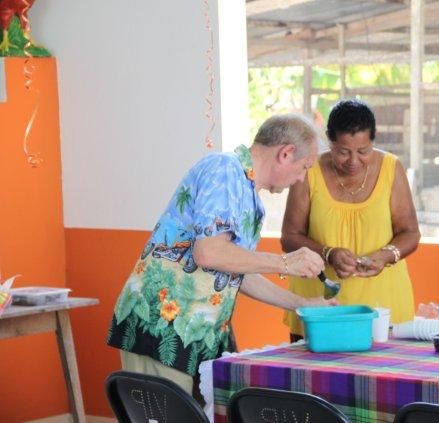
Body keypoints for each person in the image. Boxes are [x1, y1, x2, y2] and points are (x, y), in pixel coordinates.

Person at [107, 114, 336, 398]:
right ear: (285, 153)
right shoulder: (225, 170)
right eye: (304, 167)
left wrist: (302, 305)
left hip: (202, 332)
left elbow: (236, 270)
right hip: (162, 328)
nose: (302, 178)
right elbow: (209, 252)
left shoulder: (250, 194)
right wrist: (285, 262)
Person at [281, 99, 420, 340]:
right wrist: (329, 253)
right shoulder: (309, 171)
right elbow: (290, 237)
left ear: (373, 142)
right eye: (343, 152)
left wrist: (384, 256)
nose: (353, 161)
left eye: (363, 151)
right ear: (329, 141)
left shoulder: (391, 169)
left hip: (382, 308)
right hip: (319, 309)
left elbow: (410, 233)